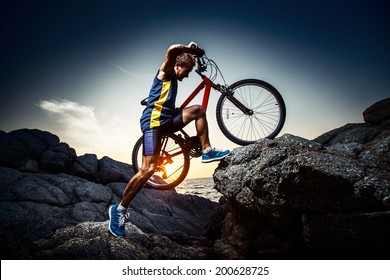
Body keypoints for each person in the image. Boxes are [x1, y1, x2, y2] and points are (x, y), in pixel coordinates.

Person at [108, 42, 230, 237]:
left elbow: (184, 59)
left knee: (198, 110)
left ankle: (207, 151)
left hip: (167, 119)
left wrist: (195, 56)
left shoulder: (175, 76)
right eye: (186, 71)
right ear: (177, 66)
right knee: (148, 169)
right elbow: (172, 50)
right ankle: (120, 209)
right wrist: (189, 49)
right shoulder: (165, 73)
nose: (187, 75)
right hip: (153, 123)